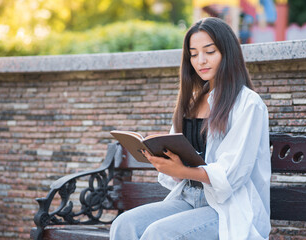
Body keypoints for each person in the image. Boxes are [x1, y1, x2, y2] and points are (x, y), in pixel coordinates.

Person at [109, 17, 271, 240]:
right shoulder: (194, 100)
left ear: (228, 53)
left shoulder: (248, 104)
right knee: (124, 224)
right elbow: (181, 160)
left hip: (227, 207)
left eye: (209, 51)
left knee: (160, 233)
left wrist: (181, 171)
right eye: (193, 54)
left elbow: (231, 175)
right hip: (187, 198)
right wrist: (163, 161)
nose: (201, 60)